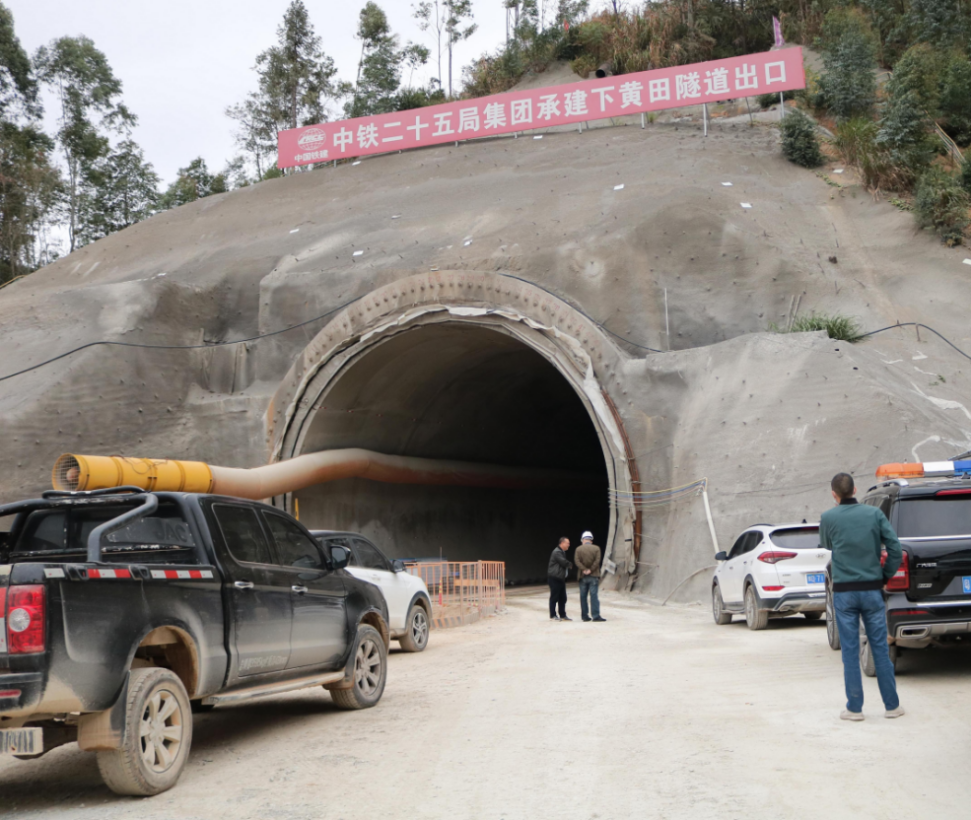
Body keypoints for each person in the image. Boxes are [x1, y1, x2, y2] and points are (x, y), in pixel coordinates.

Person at [820, 472, 905, 721]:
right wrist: (884, 576)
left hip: (844, 594)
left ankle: (854, 709)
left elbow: (826, 544)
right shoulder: (874, 514)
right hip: (872, 591)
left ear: (834, 494)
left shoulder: (828, 517)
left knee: (849, 650)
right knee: (879, 647)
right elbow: (895, 549)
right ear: (855, 489)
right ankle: (892, 707)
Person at [575, 531, 606, 622]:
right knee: (594, 596)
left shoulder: (578, 549)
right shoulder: (597, 548)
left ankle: (585, 616)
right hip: (594, 575)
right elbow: (597, 561)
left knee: (583, 596)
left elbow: (577, 561)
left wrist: (584, 569)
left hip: (582, 576)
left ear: (583, 540)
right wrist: (590, 570)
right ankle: (595, 616)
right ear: (591, 540)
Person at [548, 537, 573, 621]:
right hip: (555, 578)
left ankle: (562, 615)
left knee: (563, 597)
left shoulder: (562, 552)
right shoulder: (557, 552)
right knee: (554, 597)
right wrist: (570, 564)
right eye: (568, 543)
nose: (569, 545)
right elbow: (563, 562)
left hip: (560, 578)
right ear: (562, 543)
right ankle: (552, 615)